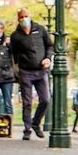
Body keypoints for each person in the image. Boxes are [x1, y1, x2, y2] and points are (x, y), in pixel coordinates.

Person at [8, 9, 54, 141]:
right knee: (27, 102)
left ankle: (36, 122)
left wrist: (48, 58)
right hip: (25, 71)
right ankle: (27, 128)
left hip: (41, 70)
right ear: (18, 19)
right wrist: (16, 69)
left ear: (30, 16)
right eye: (21, 17)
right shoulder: (16, 36)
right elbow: (13, 53)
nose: (24, 19)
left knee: (45, 99)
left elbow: (50, 45)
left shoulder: (40, 30)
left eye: (26, 16)